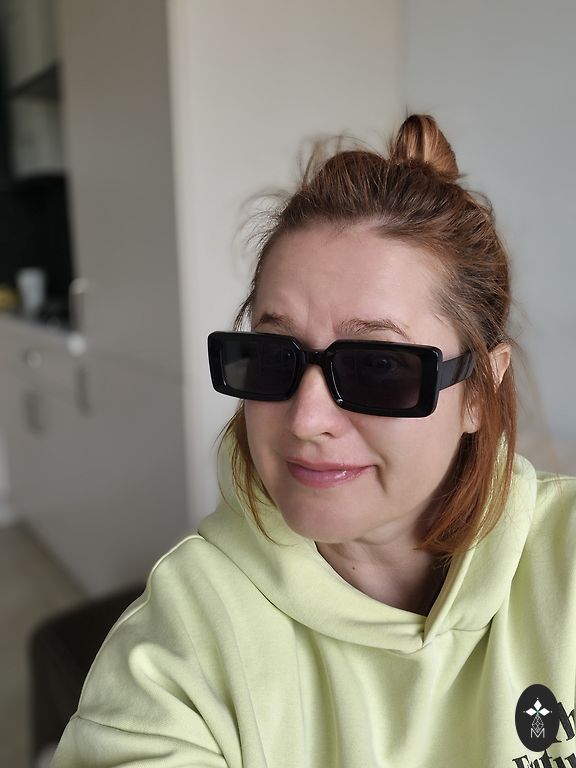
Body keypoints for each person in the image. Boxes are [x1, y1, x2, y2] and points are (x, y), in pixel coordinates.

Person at [52, 115, 576, 767]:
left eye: (378, 365)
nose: (305, 420)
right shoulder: (180, 645)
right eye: (276, 355)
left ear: (478, 391)